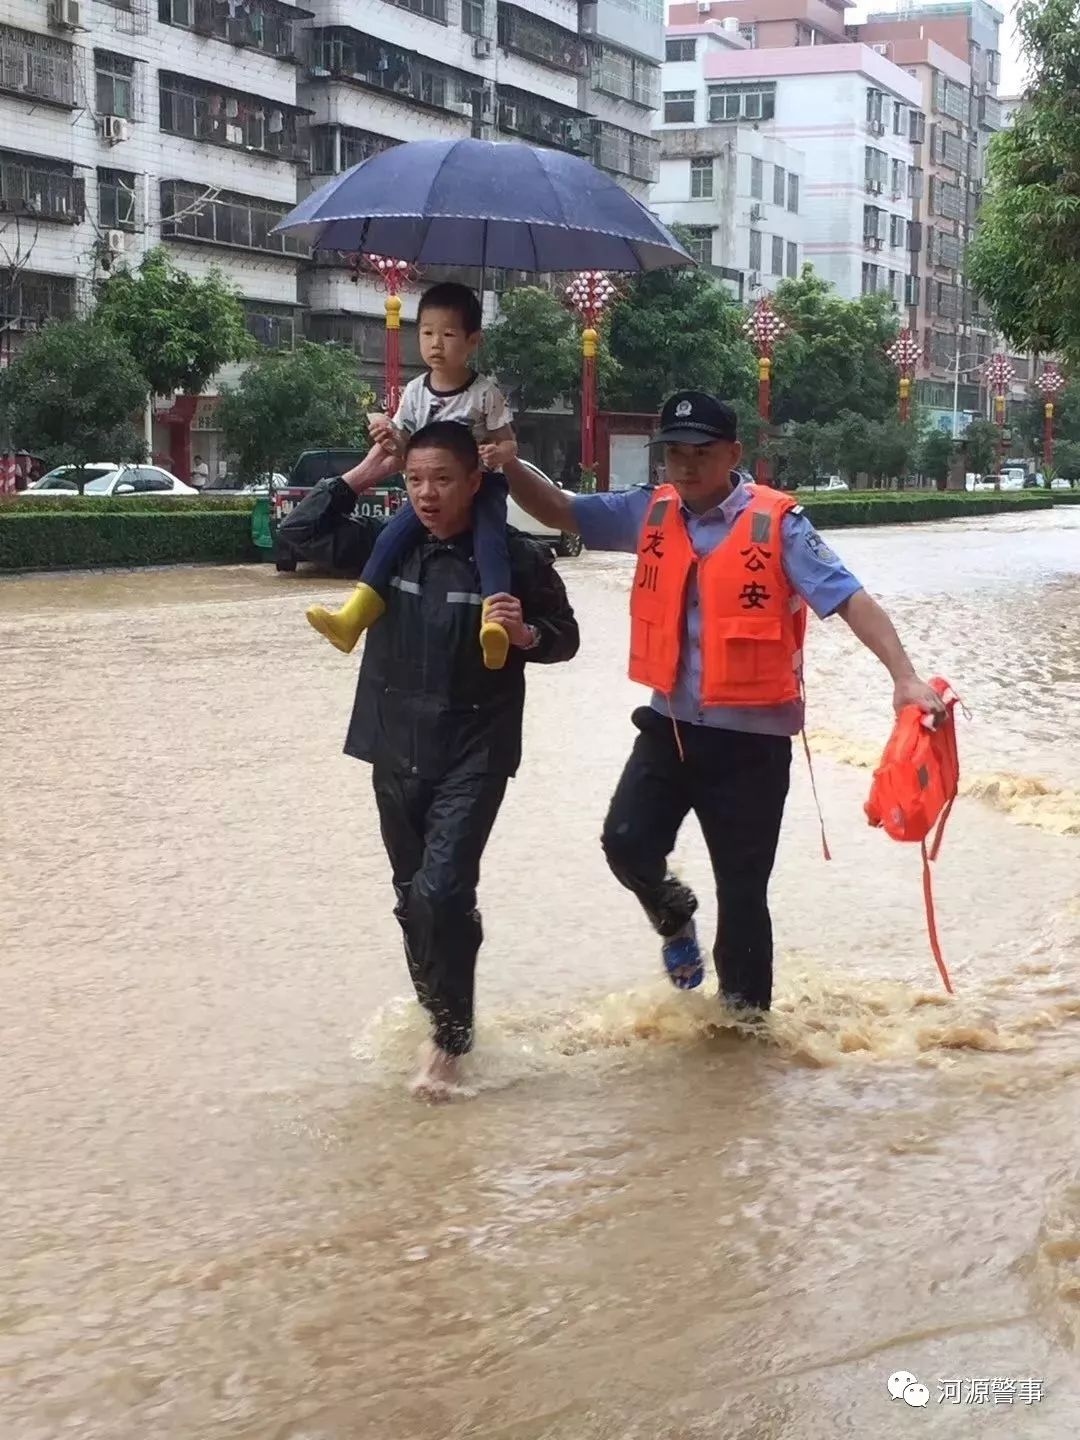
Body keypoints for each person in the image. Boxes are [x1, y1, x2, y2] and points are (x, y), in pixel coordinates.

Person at [497, 390, 946, 1013]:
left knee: (741, 897)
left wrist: (905, 676)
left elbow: (850, 599)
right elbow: (561, 509)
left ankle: (745, 1038)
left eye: (700, 453)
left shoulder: (780, 524)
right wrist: (510, 465)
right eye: (673, 454)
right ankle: (673, 912)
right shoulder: (647, 513)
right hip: (670, 729)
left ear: (733, 453)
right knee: (625, 842)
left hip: (752, 747)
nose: (684, 467)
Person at [278, 421, 580, 1096]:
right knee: (415, 899)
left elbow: (566, 639)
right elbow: (293, 536)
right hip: (393, 744)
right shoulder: (388, 551)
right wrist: (365, 472)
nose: (427, 494)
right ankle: (444, 1016)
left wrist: (528, 632)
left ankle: (447, 1045)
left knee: (441, 890)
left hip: (475, 749)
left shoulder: (515, 559)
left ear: (476, 481)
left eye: (443, 479)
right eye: (415, 480)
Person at [305, 282, 516, 669]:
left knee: (490, 542)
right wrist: (389, 434)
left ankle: (495, 624)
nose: (436, 343)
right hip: (431, 489)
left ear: (473, 340)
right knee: (390, 537)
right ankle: (353, 617)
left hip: (481, 484)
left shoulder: (486, 393)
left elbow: (509, 445)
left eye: (448, 334)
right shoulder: (415, 391)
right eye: (427, 333)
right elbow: (405, 446)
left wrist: (495, 452)